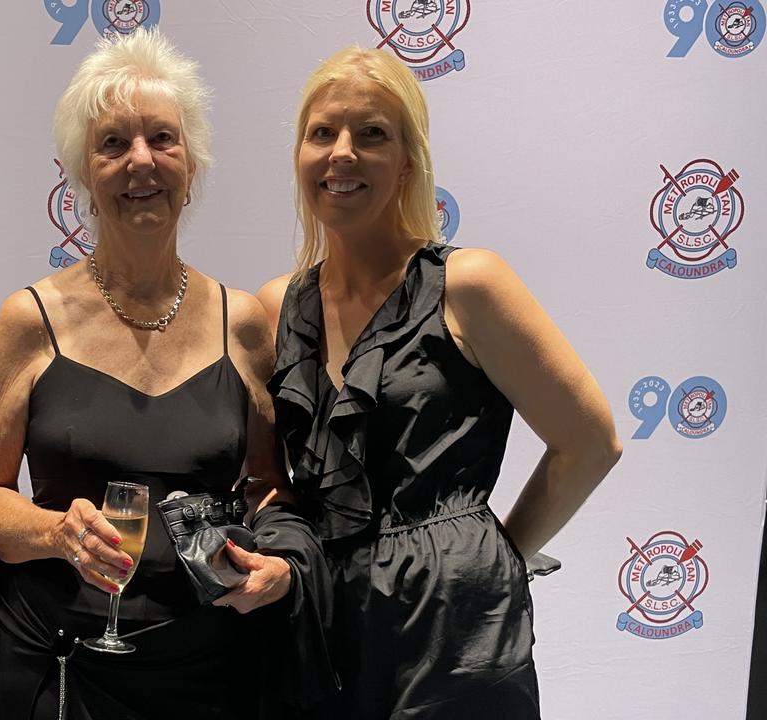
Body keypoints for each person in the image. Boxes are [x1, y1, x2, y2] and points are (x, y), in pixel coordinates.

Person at [0, 29, 333, 720]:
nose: (141, 162)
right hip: (63, 666)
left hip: (207, 660)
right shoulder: (30, 317)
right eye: (112, 144)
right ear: (80, 175)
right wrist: (51, 532)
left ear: (191, 168)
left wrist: (280, 562)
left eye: (163, 139)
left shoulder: (243, 320)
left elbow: (268, 485)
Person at [258, 47, 623, 719]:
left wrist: (499, 554)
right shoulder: (276, 306)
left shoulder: (468, 285)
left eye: (372, 133)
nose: (342, 153)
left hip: (455, 627)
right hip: (321, 625)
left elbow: (591, 441)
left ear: (407, 161)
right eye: (322, 133)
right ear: (299, 156)